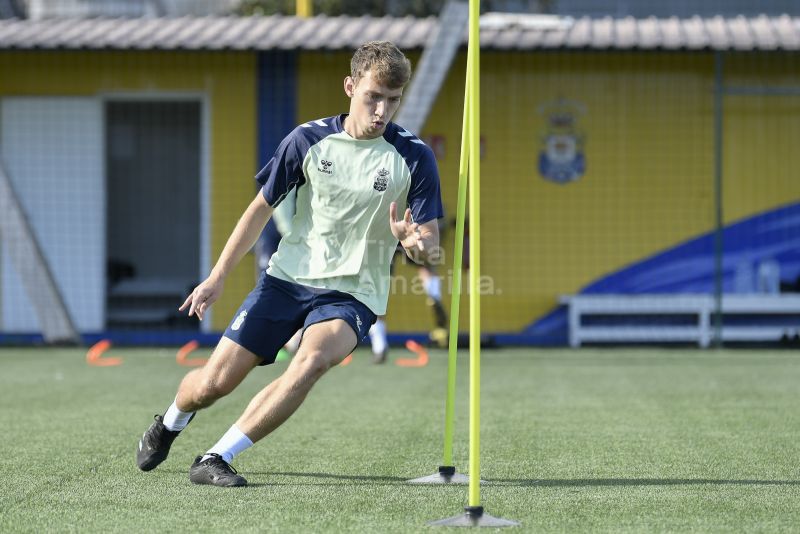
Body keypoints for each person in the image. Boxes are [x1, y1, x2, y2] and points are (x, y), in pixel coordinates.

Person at [135, 41, 443, 487]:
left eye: (392, 101)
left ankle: (216, 457)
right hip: (286, 280)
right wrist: (217, 277)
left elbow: (429, 247)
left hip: (353, 294)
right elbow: (259, 210)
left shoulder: (414, 157)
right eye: (372, 97)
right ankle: (168, 424)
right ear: (350, 86)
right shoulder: (308, 140)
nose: (381, 110)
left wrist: (414, 244)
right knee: (213, 384)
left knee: (312, 359)